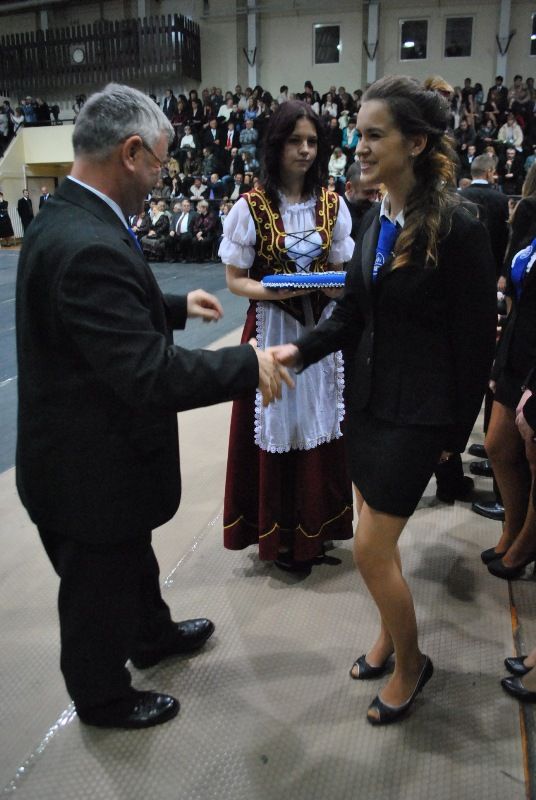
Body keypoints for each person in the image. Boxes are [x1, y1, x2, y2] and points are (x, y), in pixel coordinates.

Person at [15, 83, 290, 731]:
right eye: (161, 162)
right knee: (96, 588)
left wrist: (170, 306)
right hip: (85, 468)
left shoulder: (68, 216)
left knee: (129, 556)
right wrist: (246, 364)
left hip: (89, 452)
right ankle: (102, 696)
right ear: (131, 152)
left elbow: (95, 312)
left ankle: (151, 635)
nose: (162, 178)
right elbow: (148, 373)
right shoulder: (88, 242)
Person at [271, 76, 496, 722]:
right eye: (358, 135)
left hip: (418, 415)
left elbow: (475, 342)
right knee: (380, 545)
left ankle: (412, 664)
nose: (359, 148)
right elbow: (350, 315)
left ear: (415, 143)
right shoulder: (375, 218)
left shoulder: (460, 226)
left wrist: (453, 434)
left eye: (374, 135)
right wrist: (295, 353)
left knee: (369, 548)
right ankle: (388, 636)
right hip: (367, 402)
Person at [219, 100, 355, 572]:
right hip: (270, 327)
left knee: (319, 423)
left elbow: (339, 273)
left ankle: (314, 534)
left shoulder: (332, 204)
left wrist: (333, 287)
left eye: (312, 141)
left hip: (320, 332)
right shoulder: (250, 207)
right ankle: (280, 541)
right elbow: (235, 281)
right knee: (277, 426)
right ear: (276, 145)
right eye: (295, 140)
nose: (305, 150)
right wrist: (277, 291)